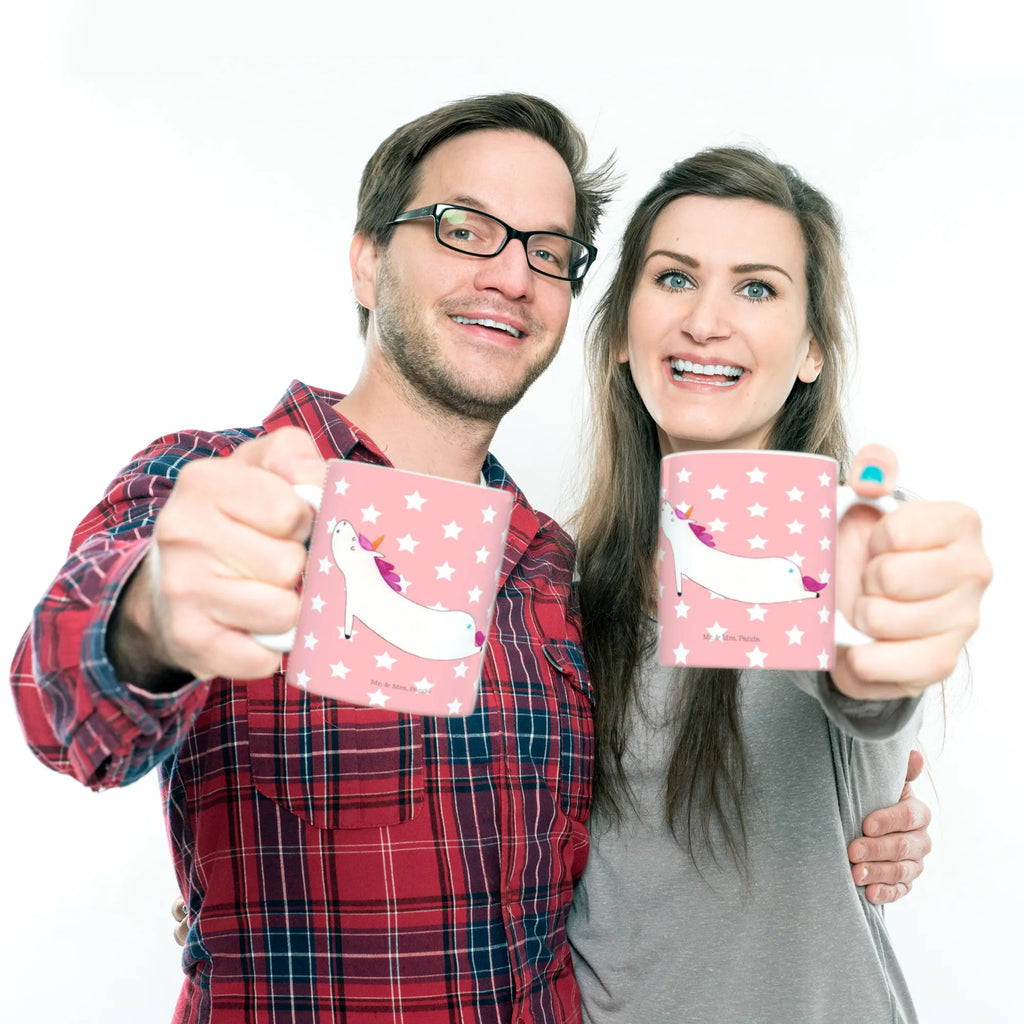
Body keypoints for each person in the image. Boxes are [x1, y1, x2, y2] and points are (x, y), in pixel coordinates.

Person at [11, 94, 944, 1023]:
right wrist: (153, 619)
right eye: (466, 229)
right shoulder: (215, 485)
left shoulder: (552, 572)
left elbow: (826, 702)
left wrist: (874, 754)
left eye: (546, 251)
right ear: (368, 259)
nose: (509, 274)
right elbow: (65, 709)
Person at [566, 146, 992, 1022]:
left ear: (810, 352)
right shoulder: (562, 582)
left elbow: (868, 684)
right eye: (675, 279)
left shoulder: (847, 544)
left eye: (756, 288)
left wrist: (887, 640)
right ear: (618, 331)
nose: (706, 322)